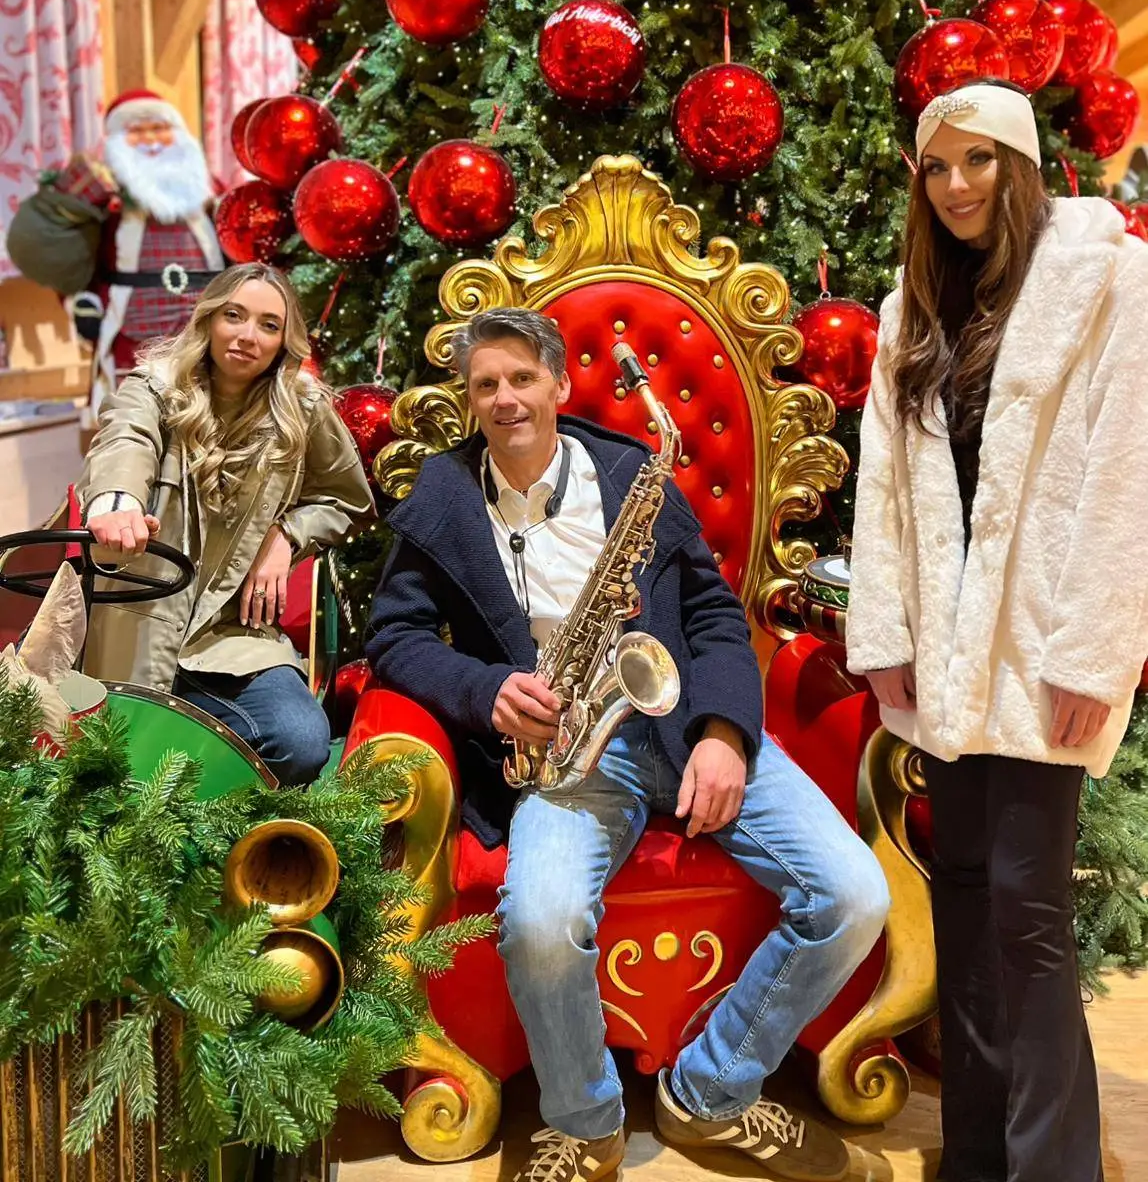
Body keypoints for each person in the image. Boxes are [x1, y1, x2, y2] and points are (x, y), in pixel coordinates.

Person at [366, 307, 890, 1182]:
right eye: (486, 385)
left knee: (855, 895)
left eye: (522, 378)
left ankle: (711, 1092)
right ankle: (586, 1125)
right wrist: (487, 691)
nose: (505, 399)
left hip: (683, 726)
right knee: (540, 925)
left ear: (559, 383)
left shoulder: (628, 472)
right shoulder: (445, 497)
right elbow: (395, 638)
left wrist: (724, 735)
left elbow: (715, 618)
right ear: (470, 398)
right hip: (565, 749)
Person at [847, 80, 1148, 1182]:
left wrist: (1091, 654)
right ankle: (975, 1154)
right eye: (936, 166)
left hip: (1041, 648)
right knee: (964, 897)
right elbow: (885, 484)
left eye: (976, 160)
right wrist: (884, 631)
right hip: (940, 655)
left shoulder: (1110, 281)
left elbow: (1126, 478)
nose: (956, 184)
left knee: (1027, 910)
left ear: (1017, 164)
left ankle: (1054, 1166)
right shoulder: (912, 306)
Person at [76, 262, 375, 785]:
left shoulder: (302, 410)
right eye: (234, 315)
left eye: (268, 324)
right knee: (115, 760)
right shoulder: (154, 388)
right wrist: (118, 502)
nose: (247, 336)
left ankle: (191, 761)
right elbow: (126, 439)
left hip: (233, 635)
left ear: (284, 341)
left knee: (301, 742)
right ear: (209, 319)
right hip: (143, 622)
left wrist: (287, 537)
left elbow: (347, 499)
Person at [8, 89, 224, 418]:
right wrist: (81, 304)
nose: (150, 140)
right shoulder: (106, 198)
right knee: (135, 415)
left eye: (159, 128)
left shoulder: (207, 189)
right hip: (132, 331)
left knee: (208, 410)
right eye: (137, 131)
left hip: (204, 326)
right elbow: (73, 260)